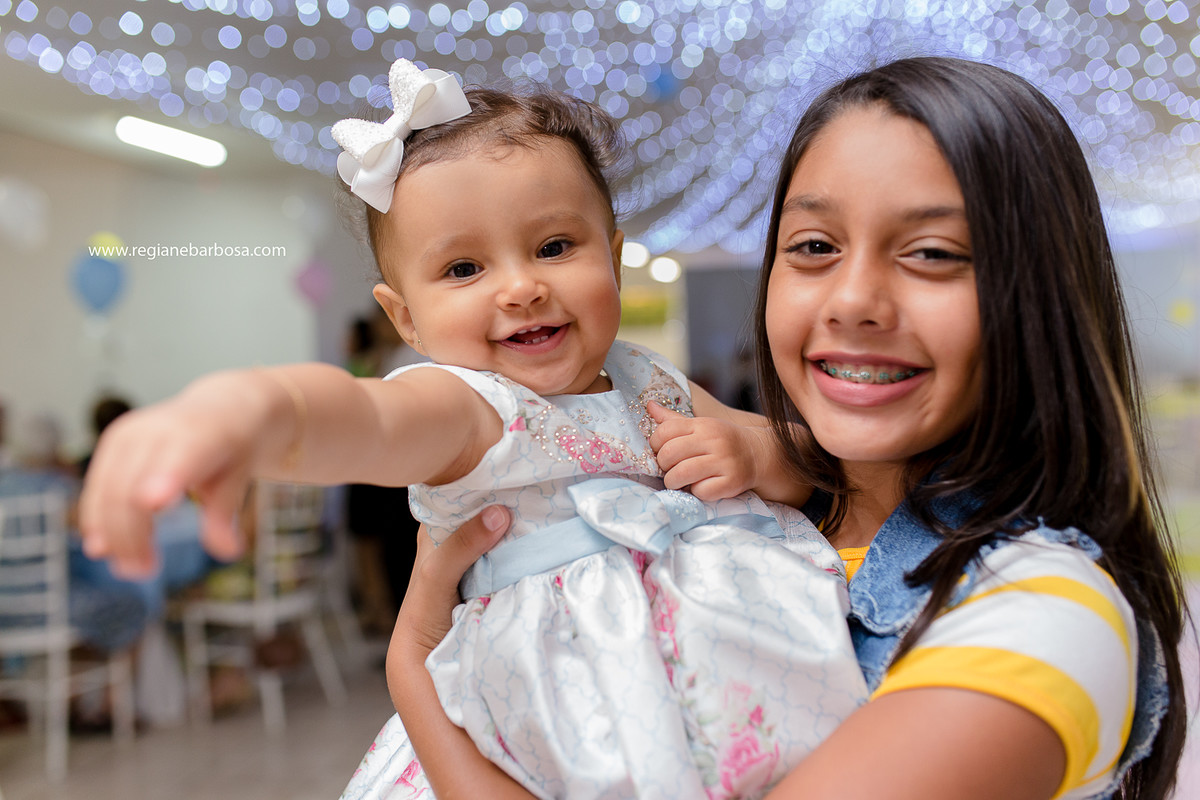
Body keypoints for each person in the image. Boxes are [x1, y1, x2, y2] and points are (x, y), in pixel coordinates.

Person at [380, 57, 1188, 799]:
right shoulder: (743, 507)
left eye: (933, 253)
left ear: (1039, 292)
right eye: (815, 245)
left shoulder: (1043, 613)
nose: (852, 300)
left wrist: (415, 670)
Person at [78, 59, 867, 799]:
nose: (521, 287)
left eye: (554, 247)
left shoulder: (651, 378)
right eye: (464, 269)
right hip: (564, 724)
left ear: (614, 257)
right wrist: (251, 408)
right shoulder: (468, 409)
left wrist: (754, 449)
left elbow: (811, 463)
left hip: (737, 686)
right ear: (406, 318)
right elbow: (363, 418)